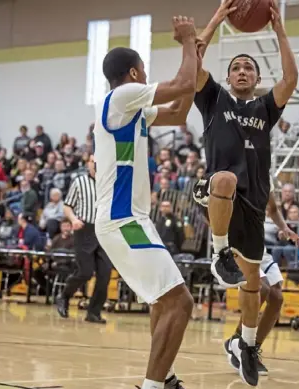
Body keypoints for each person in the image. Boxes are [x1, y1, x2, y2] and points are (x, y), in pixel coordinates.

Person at [192, 0, 298, 386]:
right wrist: (219, 16)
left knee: (255, 283)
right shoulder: (213, 99)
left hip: (253, 204)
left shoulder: (266, 108)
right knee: (225, 180)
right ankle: (219, 251)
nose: (241, 71)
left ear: (255, 78)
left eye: (248, 68)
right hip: (216, 193)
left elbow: (290, 78)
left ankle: (246, 344)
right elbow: (193, 58)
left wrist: (280, 31)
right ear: (228, 75)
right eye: (235, 67)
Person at [93, 16, 201, 389]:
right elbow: (183, 84)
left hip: (132, 218)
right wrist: (187, 40)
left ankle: (163, 378)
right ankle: (154, 386)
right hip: (122, 220)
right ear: (136, 72)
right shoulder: (122, 97)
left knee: (164, 300)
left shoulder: (131, 109)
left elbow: (180, 111)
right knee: (180, 301)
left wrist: (194, 55)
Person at [224, 178, 299, 376]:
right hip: (238, 243)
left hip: (258, 245)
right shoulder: (236, 175)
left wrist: (285, 228)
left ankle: (251, 349)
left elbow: (273, 210)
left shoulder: (263, 178)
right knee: (263, 289)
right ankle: (238, 341)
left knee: (277, 297)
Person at [56, 155, 112, 324]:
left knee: (105, 275)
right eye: (94, 162)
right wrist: (73, 220)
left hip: (103, 231)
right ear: (89, 164)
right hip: (84, 229)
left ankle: (93, 312)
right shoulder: (79, 182)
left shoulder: (109, 184)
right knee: (85, 272)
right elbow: (67, 206)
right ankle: (64, 296)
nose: (97, 166)